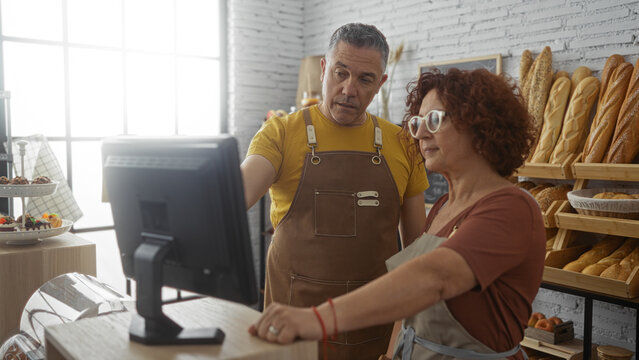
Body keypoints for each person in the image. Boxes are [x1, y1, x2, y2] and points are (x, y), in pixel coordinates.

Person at [248, 68, 546, 360]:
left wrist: (317, 319)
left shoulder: (511, 208)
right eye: (417, 122)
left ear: (480, 124)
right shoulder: (443, 206)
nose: (420, 133)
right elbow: (411, 304)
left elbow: (434, 278)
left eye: (434, 119)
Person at [241, 23, 429, 359]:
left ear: (381, 84)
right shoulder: (281, 134)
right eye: (340, 73)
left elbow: (416, 253)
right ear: (324, 69)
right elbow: (236, 197)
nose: (348, 89)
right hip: (291, 334)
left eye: (365, 79)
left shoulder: (403, 144)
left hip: (374, 334)